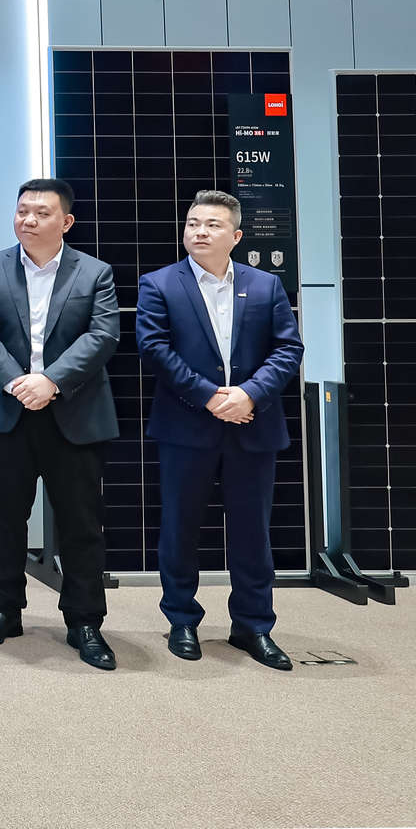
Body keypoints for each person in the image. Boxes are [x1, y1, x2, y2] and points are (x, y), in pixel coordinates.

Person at [137, 189, 304, 670]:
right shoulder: (159, 284)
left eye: (212, 225)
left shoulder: (266, 285)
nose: (199, 232)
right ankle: (182, 620)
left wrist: (248, 394)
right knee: (180, 528)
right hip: (185, 426)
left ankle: (253, 626)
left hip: (253, 424)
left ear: (236, 235)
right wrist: (211, 396)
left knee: (252, 532)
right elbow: (154, 348)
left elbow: (288, 349)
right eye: (192, 223)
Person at [0, 178, 121, 670]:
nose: (28, 220)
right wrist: (18, 382)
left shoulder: (94, 272)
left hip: (74, 413)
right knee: (3, 518)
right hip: (6, 412)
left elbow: (103, 335)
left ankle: (85, 621)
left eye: (41, 213)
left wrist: (50, 381)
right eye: (22, 211)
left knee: (81, 523)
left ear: (65, 222)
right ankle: (4, 610)